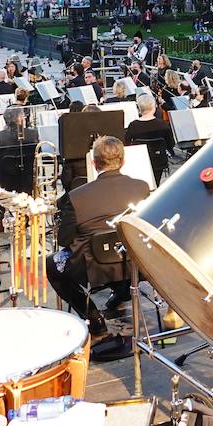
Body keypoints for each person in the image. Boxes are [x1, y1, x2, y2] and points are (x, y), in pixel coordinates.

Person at [47, 136, 150, 358]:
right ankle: (122, 293)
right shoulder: (142, 188)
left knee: (53, 265)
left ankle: (95, 320)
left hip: (93, 268)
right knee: (120, 251)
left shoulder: (76, 197)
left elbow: (65, 239)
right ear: (122, 161)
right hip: (136, 263)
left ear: (94, 163)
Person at [0, 107, 38, 194]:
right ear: (19, 119)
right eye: (22, 116)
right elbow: (38, 152)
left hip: (4, 181)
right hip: (27, 180)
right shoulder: (33, 134)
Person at [125, 94, 173, 181]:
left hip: (139, 162)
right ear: (154, 107)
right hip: (159, 162)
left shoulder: (133, 125)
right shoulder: (163, 124)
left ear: (139, 108)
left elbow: (127, 144)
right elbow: (171, 144)